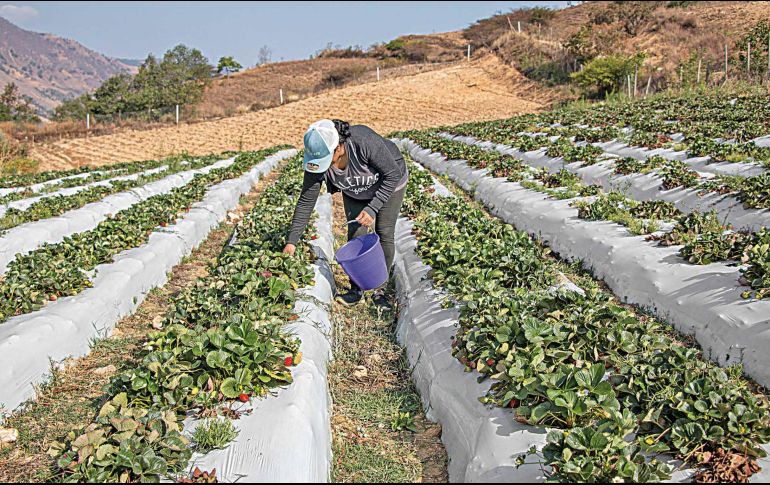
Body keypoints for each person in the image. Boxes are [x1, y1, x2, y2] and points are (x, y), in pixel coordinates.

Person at [283, 119, 409, 306]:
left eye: (326, 158)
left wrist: (373, 208)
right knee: (356, 235)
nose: (322, 165)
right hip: (355, 188)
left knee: (384, 231)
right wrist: (291, 242)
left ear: (340, 147)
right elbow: (306, 201)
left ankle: (379, 291)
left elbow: (392, 174)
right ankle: (356, 289)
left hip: (389, 182)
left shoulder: (364, 141)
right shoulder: (317, 166)